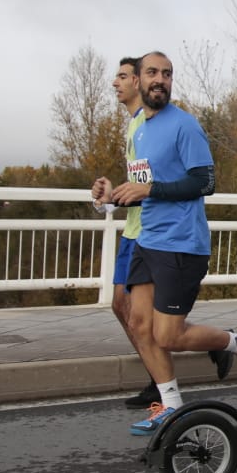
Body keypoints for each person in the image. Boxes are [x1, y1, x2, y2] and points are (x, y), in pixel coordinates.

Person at [92, 51, 237, 435]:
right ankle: (170, 405)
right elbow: (146, 189)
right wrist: (112, 195)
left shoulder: (185, 126)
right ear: (139, 79)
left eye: (167, 74)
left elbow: (205, 183)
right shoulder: (139, 129)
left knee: (168, 334)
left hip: (181, 244)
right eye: (153, 73)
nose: (160, 80)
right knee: (139, 325)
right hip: (147, 239)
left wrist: (148, 189)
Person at [89, 56, 159, 409]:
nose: (114, 83)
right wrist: (110, 198)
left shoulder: (145, 125)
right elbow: (136, 187)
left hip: (148, 233)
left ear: (137, 83)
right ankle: (159, 377)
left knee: (141, 313)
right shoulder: (133, 126)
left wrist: (114, 198)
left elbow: (146, 187)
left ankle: (163, 382)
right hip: (133, 229)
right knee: (123, 307)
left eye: (121, 76)